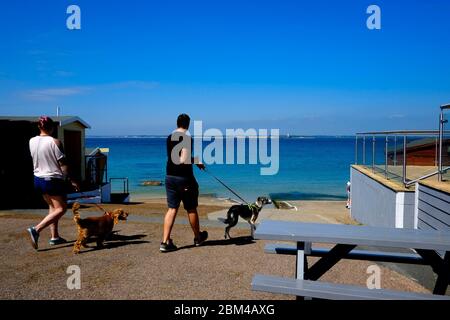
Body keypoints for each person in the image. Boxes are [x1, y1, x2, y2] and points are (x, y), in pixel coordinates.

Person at [26, 116, 79, 250]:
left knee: (52, 207)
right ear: (52, 127)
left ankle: (54, 237)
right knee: (61, 209)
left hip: (37, 179)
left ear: (39, 127)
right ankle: (36, 229)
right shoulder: (55, 142)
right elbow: (63, 165)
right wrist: (72, 180)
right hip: (52, 180)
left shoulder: (31, 141)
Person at [160, 113, 208, 252]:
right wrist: (196, 161)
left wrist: (194, 160)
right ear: (188, 124)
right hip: (184, 178)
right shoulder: (186, 137)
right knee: (191, 208)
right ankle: (198, 238)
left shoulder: (170, 137)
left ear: (177, 123)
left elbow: (176, 157)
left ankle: (164, 242)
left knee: (172, 208)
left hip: (169, 176)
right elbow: (183, 160)